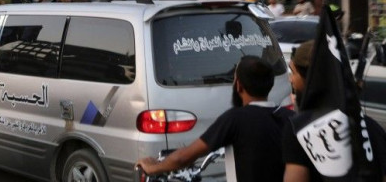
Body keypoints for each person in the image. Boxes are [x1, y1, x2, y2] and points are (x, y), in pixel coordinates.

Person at [138, 56, 293, 182]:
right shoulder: (290, 118)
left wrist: (153, 167)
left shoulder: (235, 119)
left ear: (238, 85)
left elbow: (183, 158)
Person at [283, 40, 386, 181]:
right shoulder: (372, 128)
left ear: (310, 79)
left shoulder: (300, 129)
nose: (291, 80)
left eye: (293, 72)